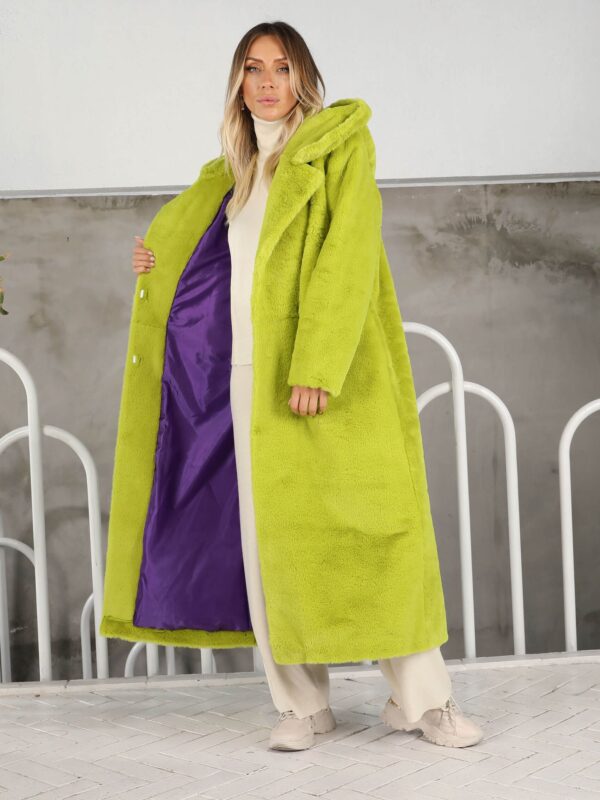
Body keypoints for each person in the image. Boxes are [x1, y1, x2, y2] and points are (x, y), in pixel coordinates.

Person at [125, 21, 484, 751]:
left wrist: (316, 364)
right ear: (238, 83)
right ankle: (300, 706)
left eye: (282, 68)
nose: (267, 82)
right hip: (246, 378)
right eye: (254, 68)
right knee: (269, 545)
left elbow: (348, 254)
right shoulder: (229, 173)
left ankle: (425, 701)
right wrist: (155, 261)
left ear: (303, 79)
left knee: (377, 531)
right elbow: (204, 264)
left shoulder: (338, 146)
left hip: (325, 373)